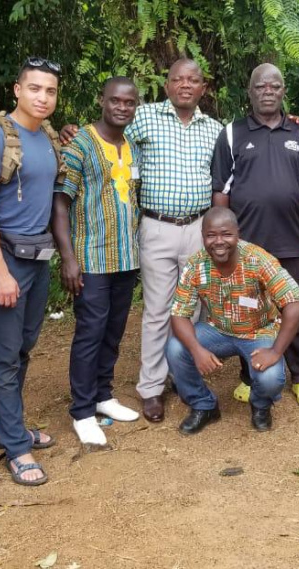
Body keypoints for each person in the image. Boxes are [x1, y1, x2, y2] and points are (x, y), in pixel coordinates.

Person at [0, 57, 64, 486]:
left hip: (37, 257)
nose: (43, 97)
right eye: (35, 88)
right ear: (17, 89)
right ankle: (16, 448)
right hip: (5, 261)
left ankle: (7, 427)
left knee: (23, 347)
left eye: (51, 91)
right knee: (5, 355)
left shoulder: (45, 135)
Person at [211, 63, 299, 409]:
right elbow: (221, 193)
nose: (268, 91)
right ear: (250, 92)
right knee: (249, 312)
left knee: (297, 309)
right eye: (261, 86)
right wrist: (224, 243)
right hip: (246, 247)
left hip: (293, 242)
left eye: (274, 86)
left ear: (282, 91)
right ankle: (249, 374)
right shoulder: (232, 134)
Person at [125, 59, 223, 423]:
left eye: (193, 80)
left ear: (203, 88)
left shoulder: (214, 128)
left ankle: (182, 376)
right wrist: (75, 131)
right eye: (178, 79)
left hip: (198, 229)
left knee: (191, 308)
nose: (185, 85)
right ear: (166, 86)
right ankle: (151, 387)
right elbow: (110, 137)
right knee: (156, 311)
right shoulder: (145, 118)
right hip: (157, 226)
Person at [52, 77, 143, 447]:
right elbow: (60, 202)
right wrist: (68, 258)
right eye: (115, 101)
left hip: (125, 258)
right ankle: (83, 411)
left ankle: (104, 395)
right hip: (91, 258)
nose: (122, 108)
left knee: (114, 330)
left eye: (129, 103)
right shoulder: (81, 144)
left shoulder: (131, 144)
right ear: (102, 101)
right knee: (90, 333)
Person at [165, 207, 299, 433]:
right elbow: (179, 314)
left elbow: (296, 302)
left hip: (258, 333)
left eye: (226, 234)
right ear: (203, 236)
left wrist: (275, 351)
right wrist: (197, 350)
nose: (218, 241)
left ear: (237, 233)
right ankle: (204, 406)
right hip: (217, 330)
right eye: (211, 235)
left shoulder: (257, 259)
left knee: (270, 377)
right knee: (175, 347)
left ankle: (260, 405)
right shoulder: (196, 265)